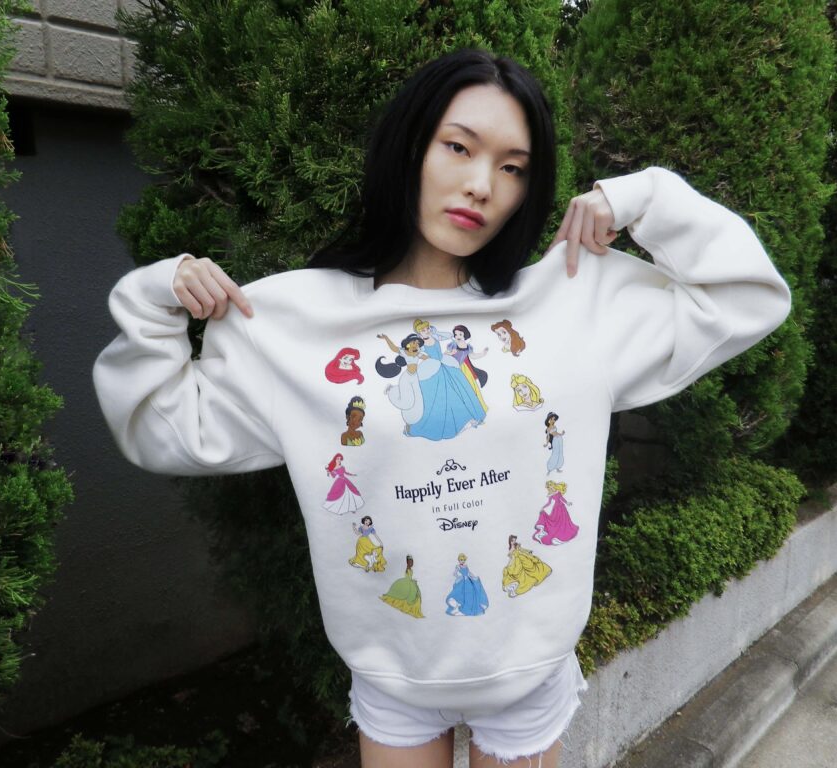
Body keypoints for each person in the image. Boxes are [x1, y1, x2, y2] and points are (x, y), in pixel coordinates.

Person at [94, 48, 791, 768]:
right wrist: (155, 299)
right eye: (458, 147)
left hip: (528, 671)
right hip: (393, 673)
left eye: (513, 167)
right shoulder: (300, 321)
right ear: (410, 147)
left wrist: (645, 196)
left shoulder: (570, 303)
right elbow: (160, 428)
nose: (482, 185)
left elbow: (748, 297)